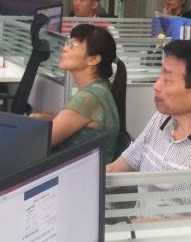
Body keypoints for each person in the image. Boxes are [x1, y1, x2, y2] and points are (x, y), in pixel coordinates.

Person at [106, 41, 191, 219]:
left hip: (176, 236)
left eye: (167, 80)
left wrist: (153, 225)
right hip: (138, 228)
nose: (156, 86)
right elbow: (119, 166)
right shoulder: (162, 118)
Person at [30, 24, 126, 163]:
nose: (65, 48)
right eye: (67, 44)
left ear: (93, 59)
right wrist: (50, 120)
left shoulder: (90, 97)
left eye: (73, 45)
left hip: (80, 174)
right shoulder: (99, 89)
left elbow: (40, 144)